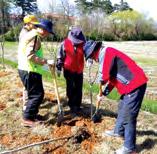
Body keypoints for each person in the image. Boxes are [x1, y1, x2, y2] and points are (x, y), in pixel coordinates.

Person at [84, 40, 148, 154]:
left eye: (91, 57)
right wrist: (103, 93)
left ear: (94, 52)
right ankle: (118, 131)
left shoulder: (107, 52)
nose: (93, 59)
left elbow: (104, 77)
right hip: (129, 85)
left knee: (129, 116)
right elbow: (113, 80)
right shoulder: (106, 56)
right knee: (122, 106)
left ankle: (130, 148)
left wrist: (101, 81)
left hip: (135, 84)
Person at [18, 18, 55, 127]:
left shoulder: (31, 34)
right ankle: (27, 118)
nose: (48, 34)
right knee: (37, 95)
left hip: (25, 69)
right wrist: (46, 61)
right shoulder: (35, 37)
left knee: (34, 94)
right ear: (43, 29)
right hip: (30, 70)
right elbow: (30, 56)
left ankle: (32, 115)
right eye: (48, 31)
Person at [56, 26, 86, 115]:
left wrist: (90, 60)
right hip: (68, 70)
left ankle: (78, 105)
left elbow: (88, 52)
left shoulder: (83, 43)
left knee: (79, 88)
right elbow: (60, 57)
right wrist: (58, 68)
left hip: (79, 69)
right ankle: (72, 105)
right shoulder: (64, 44)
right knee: (70, 87)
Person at [19, 15, 39, 111]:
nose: (35, 26)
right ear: (28, 23)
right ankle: (27, 106)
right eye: (33, 24)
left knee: (27, 87)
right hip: (27, 66)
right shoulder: (26, 34)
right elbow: (28, 53)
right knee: (28, 88)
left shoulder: (26, 32)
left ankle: (27, 105)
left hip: (25, 64)